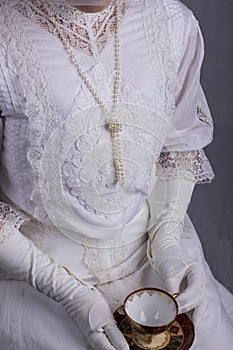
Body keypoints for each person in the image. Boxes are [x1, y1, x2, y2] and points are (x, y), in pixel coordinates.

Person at [0, 0, 232, 349]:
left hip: (151, 243)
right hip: (33, 264)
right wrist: (69, 294)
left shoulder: (171, 23)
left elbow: (179, 145)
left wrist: (167, 237)